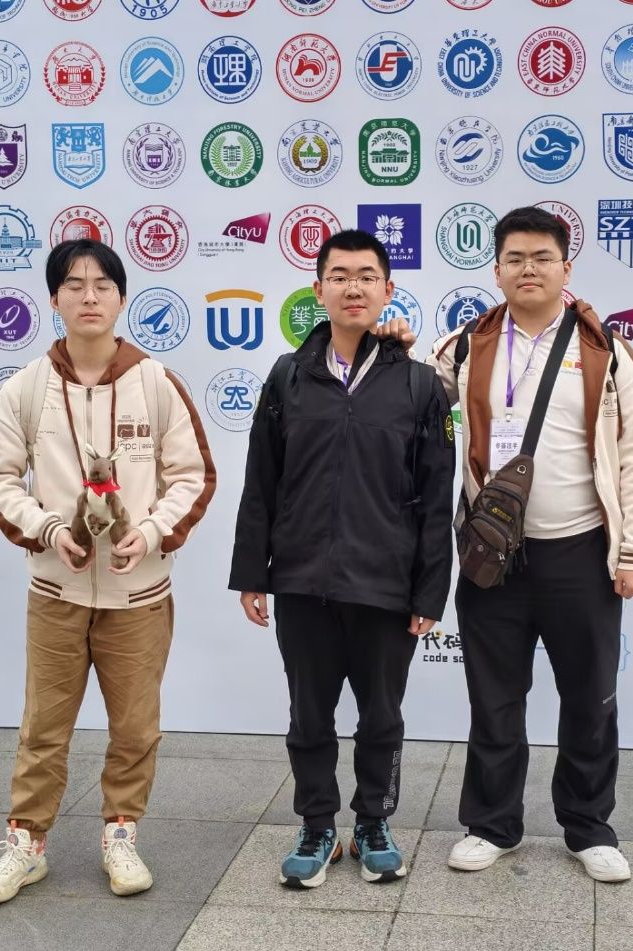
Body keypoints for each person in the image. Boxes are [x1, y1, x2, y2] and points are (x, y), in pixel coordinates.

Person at [0, 239, 216, 903]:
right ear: (54, 298)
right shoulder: (27, 386)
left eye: (102, 284)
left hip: (139, 593)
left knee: (135, 726)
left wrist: (151, 531)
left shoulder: (156, 381)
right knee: (43, 726)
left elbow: (193, 475)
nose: (89, 296)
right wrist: (49, 529)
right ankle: (27, 844)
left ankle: (121, 833)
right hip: (56, 588)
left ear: (121, 297)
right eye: (74, 285)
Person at [425, 205, 633, 882]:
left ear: (566, 267)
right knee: (494, 697)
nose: (527, 269)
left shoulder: (606, 351)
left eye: (541, 258)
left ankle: (589, 827)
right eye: (515, 258)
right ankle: (491, 824)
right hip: (491, 554)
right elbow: (408, 397)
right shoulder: (465, 347)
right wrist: (387, 342)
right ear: (496, 269)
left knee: (589, 698)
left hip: (580, 551)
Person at [229, 229, 455, 888]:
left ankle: (374, 821)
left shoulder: (419, 385)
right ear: (318, 288)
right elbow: (261, 481)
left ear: (387, 288)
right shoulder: (288, 376)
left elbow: (436, 496)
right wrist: (252, 573)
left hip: (386, 583)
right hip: (303, 580)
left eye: (366, 276)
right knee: (309, 717)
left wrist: (429, 592)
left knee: (382, 716)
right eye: (339, 275)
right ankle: (318, 824)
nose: (353, 287)